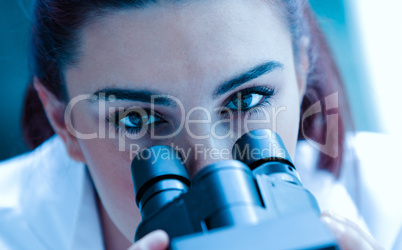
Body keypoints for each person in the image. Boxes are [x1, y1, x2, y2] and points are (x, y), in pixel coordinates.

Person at [0, 0, 400, 249]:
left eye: (247, 99)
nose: (213, 168)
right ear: (63, 123)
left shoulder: (390, 201)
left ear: (300, 68)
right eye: (137, 118)